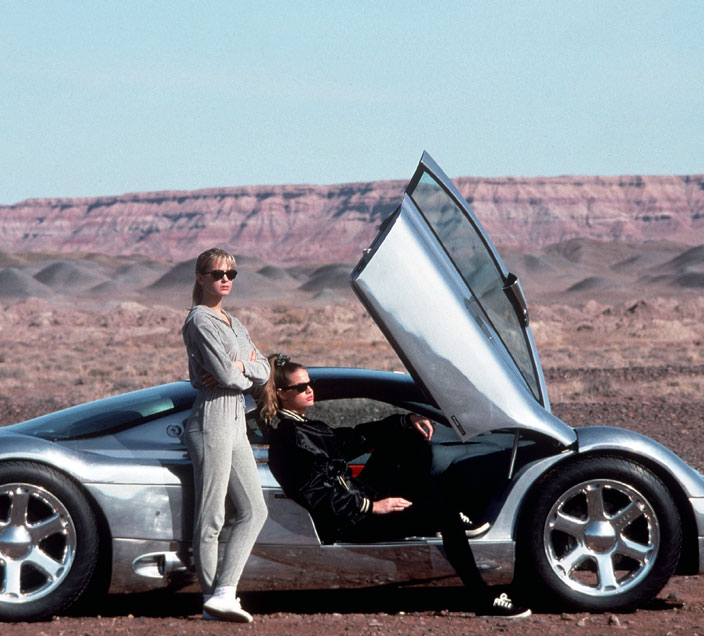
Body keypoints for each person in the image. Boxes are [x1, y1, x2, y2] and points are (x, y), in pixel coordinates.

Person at [259, 354, 531, 620]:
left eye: (310, 384)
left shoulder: (302, 427)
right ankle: (483, 599)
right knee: (446, 516)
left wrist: (404, 420)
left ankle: (439, 509)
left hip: (354, 499)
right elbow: (317, 494)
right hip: (348, 519)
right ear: (282, 394)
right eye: (301, 387)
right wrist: (373, 506)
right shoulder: (292, 437)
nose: (310, 390)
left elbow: (351, 439)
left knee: (404, 438)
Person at [181, 248, 269, 623]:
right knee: (212, 513)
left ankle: (224, 593)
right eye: (217, 273)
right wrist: (242, 369)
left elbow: (265, 370)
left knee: (254, 510)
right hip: (212, 417)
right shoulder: (200, 320)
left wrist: (239, 367)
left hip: (235, 419)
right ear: (201, 278)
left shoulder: (235, 323)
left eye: (231, 274)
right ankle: (212, 598)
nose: (225, 279)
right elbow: (229, 377)